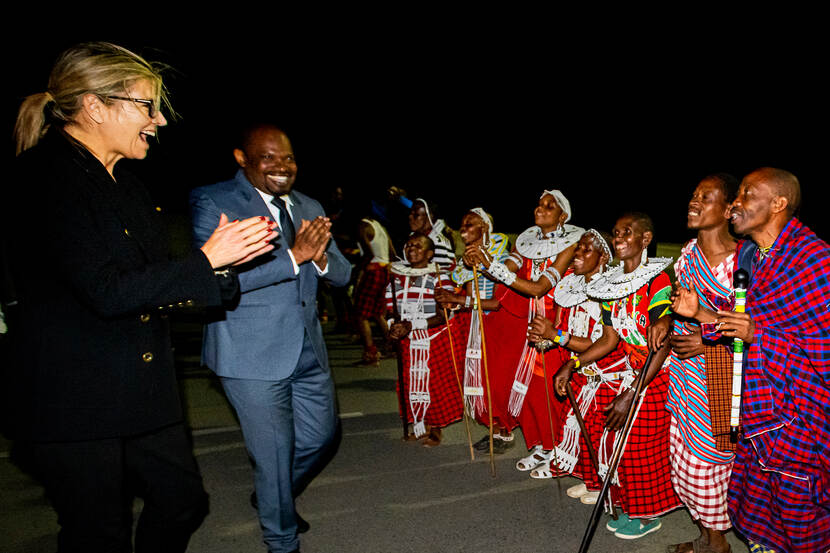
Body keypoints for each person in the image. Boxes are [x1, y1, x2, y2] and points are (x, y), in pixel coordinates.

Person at [3, 42, 275, 553]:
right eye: (147, 106)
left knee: (182, 500)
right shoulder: (41, 177)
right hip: (73, 398)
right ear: (95, 106)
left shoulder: (125, 185)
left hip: (141, 389)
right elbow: (104, 291)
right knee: (97, 532)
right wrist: (205, 263)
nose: (160, 121)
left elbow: (153, 277)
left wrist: (222, 269)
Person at [190, 123, 351, 553]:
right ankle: (281, 542)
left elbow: (342, 272)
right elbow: (218, 280)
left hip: (307, 348)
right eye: (268, 157)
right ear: (242, 159)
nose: (282, 167)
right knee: (275, 453)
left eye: (289, 158)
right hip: (248, 353)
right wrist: (295, 256)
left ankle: (272, 494)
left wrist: (317, 261)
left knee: (322, 437)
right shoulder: (215, 201)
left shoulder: (308, 205)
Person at [682, 168, 830, 553]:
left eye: (747, 194)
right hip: (759, 407)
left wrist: (756, 336)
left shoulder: (813, 262)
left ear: (778, 204)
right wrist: (700, 314)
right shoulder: (754, 256)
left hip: (799, 415)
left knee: (801, 512)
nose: (735, 203)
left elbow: (822, 352)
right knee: (763, 502)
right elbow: (739, 319)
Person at [556, 212, 681, 540]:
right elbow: (610, 339)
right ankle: (625, 503)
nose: (620, 238)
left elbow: (663, 343)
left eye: (629, 232)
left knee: (636, 446)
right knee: (613, 442)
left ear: (646, 239)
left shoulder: (658, 281)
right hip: (633, 373)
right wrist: (575, 362)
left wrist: (633, 392)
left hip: (658, 375)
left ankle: (646, 514)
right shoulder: (611, 285)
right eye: (616, 232)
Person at [649, 174, 741, 553]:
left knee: (708, 467)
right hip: (684, 377)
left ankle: (716, 543)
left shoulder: (740, 261)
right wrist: (664, 318)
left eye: (706, 197)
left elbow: (756, 333)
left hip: (719, 381)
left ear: (729, 208)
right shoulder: (688, 252)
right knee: (683, 461)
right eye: (693, 195)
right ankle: (705, 536)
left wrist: (704, 343)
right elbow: (672, 293)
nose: (694, 201)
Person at [464, 191, 581, 456]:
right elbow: (508, 268)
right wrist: (482, 264)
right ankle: (537, 444)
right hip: (523, 318)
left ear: (562, 217)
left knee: (545, 388)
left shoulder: (569, 244)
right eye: (539, 204)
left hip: (552, 320)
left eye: (549, 207)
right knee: (521, 385)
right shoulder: (525, 240)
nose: (540, 209)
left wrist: (491, 266)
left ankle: (555, 447)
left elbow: (539, 287)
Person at [527, 229, 627, 496]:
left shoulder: (610, 290)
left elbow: (601, 342)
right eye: (577, 248)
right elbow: (565, 330)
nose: (577, 254)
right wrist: (545, 337)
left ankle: (604, 486)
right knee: (577, 424)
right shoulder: (573, 285)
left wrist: (555, 335)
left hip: (606, 372)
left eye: (586, 249)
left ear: (604, 256)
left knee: (599, 432)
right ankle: (590, 477)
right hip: (582, 369)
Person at [436, 208, 510, 444]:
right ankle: (493, 427)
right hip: (478, 321)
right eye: (463, 224)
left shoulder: (502, 258)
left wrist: (460, 300)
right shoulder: (466, 259)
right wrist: (454, 303)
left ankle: (505, 429)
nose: (463, 228)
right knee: (480, 377)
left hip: (499, 323)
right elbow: (470, 297)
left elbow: (498, 303)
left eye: (470, 223)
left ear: (485, 228)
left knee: (497, 379)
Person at [386, 233, 459, 446]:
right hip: (407, 339)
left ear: (429, 253)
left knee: (433, 384)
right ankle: (419, 424)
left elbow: (444, 313)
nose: (411, 249)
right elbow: (390, 308)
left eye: (418, 246)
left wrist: (413, 325)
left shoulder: (439, 276)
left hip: (432, 338)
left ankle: (435, 428)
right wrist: (393, 326)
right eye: (408, 245)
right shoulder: (397, 276)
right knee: (410, 384)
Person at [353, 216, 395, 365]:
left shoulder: (362, 226)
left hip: (373, 270)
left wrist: (356, 272)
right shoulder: (379, 226)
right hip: (385, 270)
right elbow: (392, 252)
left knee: (361, 314)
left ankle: (370, 353)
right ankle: (392, 345)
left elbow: (369, 254)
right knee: (377, 313)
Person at [407, 198, 457, 272]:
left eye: (416, 215)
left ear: (429, 216)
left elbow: (441, 274)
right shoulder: (416, 237)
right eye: (410, 213)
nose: (410, 217)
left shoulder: (437, 242)